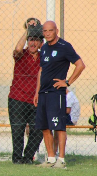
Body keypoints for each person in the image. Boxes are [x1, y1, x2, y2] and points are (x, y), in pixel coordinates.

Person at [34, 21, 85, 168]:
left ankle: (61, 159)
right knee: (45, 126)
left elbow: (80, 65)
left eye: (51, 30)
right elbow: (41, 71)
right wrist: (37, 91)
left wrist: (67, 82)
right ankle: (50, 159)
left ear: (56, 30)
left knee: (59, 126)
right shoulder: (43, 48)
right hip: (43, 93)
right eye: (45, 31)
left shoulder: (64, 46)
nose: (48, 33)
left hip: (56, 93)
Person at [8, 18, 43, 164]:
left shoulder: (44, 57)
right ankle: (17, 159)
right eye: (30, 39)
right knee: (17, 131)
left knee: (38, 131)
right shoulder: (21, 54)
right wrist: (27, 30)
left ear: (41, 43)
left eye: (36, 40)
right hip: (17, 98)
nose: (32, 43)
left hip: (36, 100)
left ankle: (28, 158)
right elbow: (16, 49)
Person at [53, 88, 80, 154]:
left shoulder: (69, 96)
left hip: (70, 119)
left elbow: (67, 111)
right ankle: (54, 151)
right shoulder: (70, 95)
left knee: (54, 124)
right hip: (68, 117)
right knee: (55, 125)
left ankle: (54, 152)